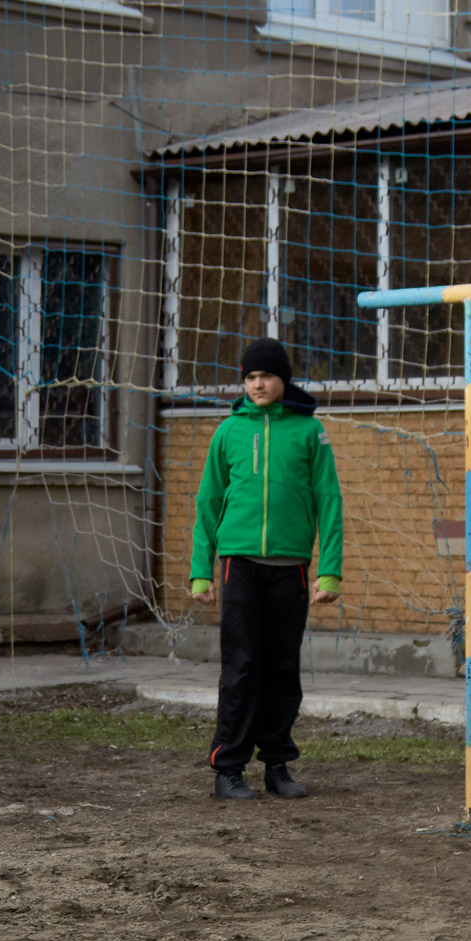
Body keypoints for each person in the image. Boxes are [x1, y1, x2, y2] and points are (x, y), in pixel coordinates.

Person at [190, 338, 344, 801]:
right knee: (240, 667)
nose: (258, 384)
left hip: (290, 569)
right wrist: (202, 570)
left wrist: (329, 571)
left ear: (284, 380)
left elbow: (329, 500)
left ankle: (277, 764)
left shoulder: (308, 431)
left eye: (267, 376)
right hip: (238, 565)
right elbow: (208, 501)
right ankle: (228, 769)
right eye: (251, 377)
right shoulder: (228, 432)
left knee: (281, 667)